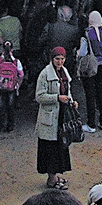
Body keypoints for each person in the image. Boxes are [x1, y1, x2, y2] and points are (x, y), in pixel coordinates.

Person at [35, 46, 78, 191]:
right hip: (50, 119)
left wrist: (72, 101)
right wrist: (57, 98)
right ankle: (51, 179)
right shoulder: (45, 74)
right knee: (50, 149)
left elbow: (68, 91)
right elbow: (39, 96)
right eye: (57, 59)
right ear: (52, 59)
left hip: (61, 117)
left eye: (62, 59)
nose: (60, 62)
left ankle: (54, 176)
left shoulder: (64, 72)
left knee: (60, 147)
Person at [82, 10, 102, 133]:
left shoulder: (87, 33)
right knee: (101, 94)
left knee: (90, 95)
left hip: (91, 66)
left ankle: (91, 124)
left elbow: (83, 52)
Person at [0, 39, 24, 132]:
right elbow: (21, 74)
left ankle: (0, 126)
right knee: (10, 106)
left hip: (0, 87)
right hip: (11, 87)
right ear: (12, 49)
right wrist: (18, 85)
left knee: (0, 106)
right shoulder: (16, 61)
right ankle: (10, 126)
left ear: (2, 49)